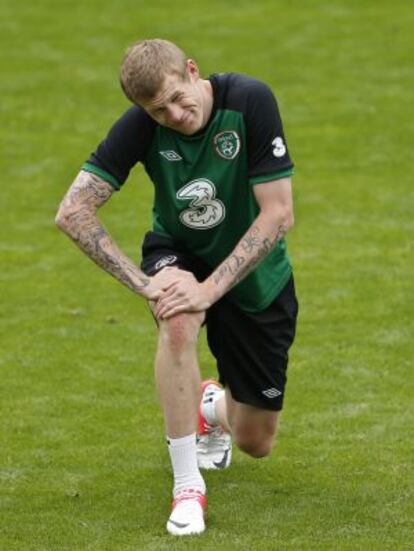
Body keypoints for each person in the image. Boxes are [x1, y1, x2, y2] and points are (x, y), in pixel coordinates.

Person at [55, 38, 298, 536]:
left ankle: (209, 406)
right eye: (157, 110)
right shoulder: (144, 125)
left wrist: (210, 290)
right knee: (177, 315)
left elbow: (279, 213)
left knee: (257, 441)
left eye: (176, 98)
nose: (173, 114)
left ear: (192, 70)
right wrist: (144, 284)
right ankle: (188, 485)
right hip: (177, 250)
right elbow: (72, 211)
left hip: (256, 275)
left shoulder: (250, 101)